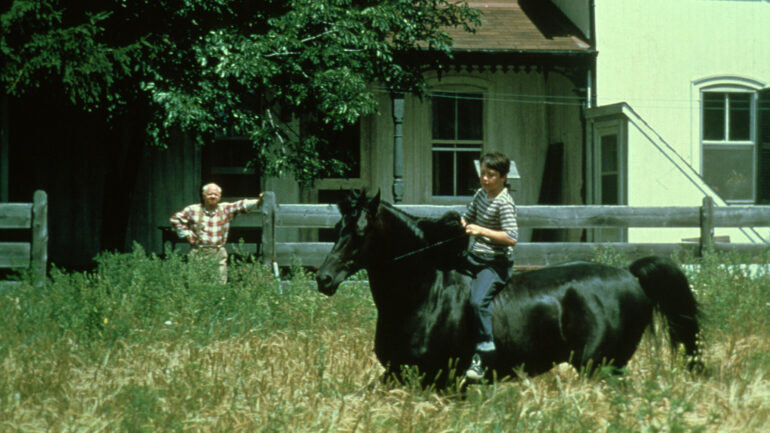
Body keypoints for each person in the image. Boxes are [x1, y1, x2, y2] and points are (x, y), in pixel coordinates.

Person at [461, 152, 518, 381]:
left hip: (495, 263)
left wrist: (480, 230)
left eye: (491, 175)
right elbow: (466, 217)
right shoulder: (481, 194)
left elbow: (511, 237)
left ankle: (485, 353)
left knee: (477, 301)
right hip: (474, 256)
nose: (485, 179)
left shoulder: (504, 202)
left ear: (503, 177)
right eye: (483, 173)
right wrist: (463, 225)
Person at [170, 183, 264, 283]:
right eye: (210, 194)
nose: (213, 196)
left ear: (219, 196)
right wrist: (186, 234)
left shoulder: (225, 209)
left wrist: (258, 201)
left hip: (218, 252)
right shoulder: (193, 209)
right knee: (196, 283)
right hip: (198, 252)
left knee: (219, 283)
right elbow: (175, 219)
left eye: (215, 194)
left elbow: (242, 205)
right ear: (203, 195)